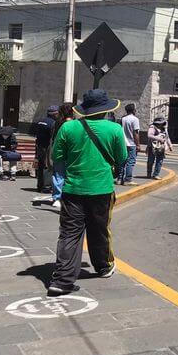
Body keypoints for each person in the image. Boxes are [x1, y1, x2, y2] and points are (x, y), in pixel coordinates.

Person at [48, 89, 127, 296]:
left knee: (69, 234)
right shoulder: (114, 129)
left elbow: (57, 156)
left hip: (73, 189)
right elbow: (121, 158)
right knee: (100, 230)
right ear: (107, 109)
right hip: (102, 189)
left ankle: (62, 281)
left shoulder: (68, 127)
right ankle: (103, 266)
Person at [47, 103, 75, 209]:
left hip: (58, 151)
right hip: (71, 152)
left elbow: (53, 138)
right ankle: (66, 196)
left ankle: (57, 198)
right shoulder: (75, 123)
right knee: (69, 174)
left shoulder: (57, 123)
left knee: (58, 174)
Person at [34, 105, 59, 192]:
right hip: (48, 147)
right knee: (48, 167)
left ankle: (39, 185)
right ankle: (46, 187)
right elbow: (53, 137)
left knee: (41, 166)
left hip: (39, 146)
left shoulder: (40, 121)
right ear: (54, 114)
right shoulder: (53, 123)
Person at [118, 103, 141, 186]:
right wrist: (138, 144)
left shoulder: (123, 119)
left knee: (122, 161)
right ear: (133, 110)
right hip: (131, 143)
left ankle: (119, 178)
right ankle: (128, 179)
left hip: (122, 142)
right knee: (130, 161)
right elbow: (136, 133)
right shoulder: (135, 119)